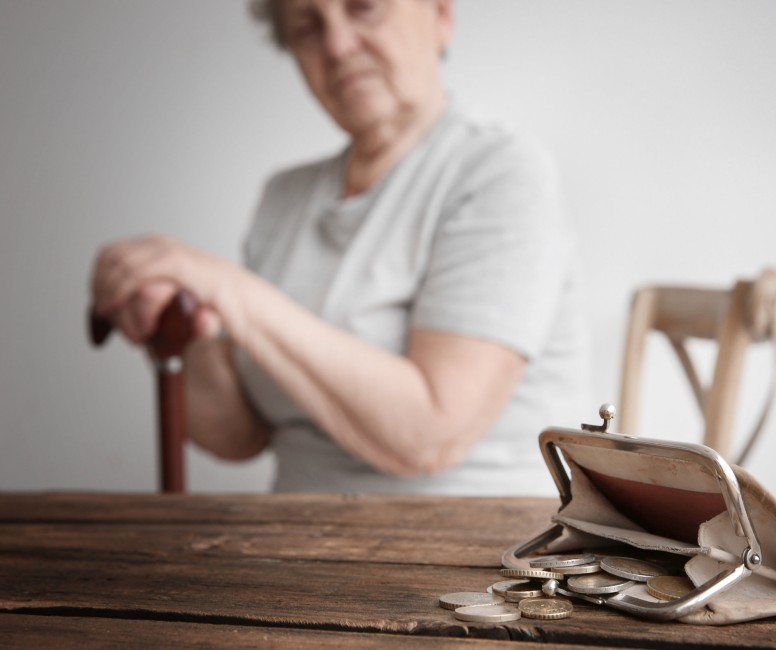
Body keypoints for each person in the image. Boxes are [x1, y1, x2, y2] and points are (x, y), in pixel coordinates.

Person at [88, 0, 588, 495]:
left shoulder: (500, 171)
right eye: (307, 27)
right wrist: (171, 320)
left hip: (473, 549)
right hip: (300, 542)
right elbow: (239, 436)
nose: (337, 45)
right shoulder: (283, 197)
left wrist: (227, 288)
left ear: (441, 14)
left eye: (364, 8)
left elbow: (430, 436)